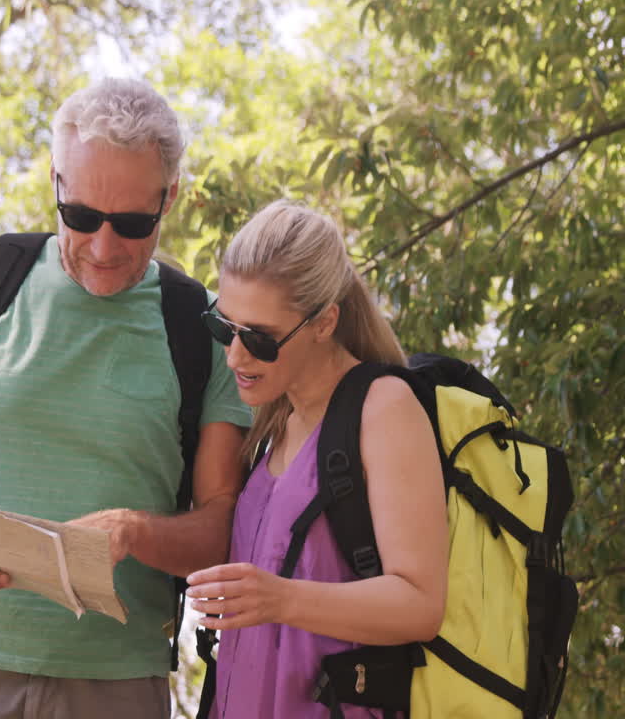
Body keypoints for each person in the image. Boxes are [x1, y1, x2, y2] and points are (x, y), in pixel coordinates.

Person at [0, 77, 251, 718]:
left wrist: (133, 531)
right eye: (82, 217)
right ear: (55, 184)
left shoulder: (199, 325)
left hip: (116, 686)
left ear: (170, 197)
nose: (102, 248)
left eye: (131, 224)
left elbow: (224, 527)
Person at [185, 201, 449, 718]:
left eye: (259, 338)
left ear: (325, 321)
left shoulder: (384, 407)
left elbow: (421, 605)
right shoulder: (274, 420)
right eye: (225, 328)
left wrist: (281, 598)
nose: (235, 357)